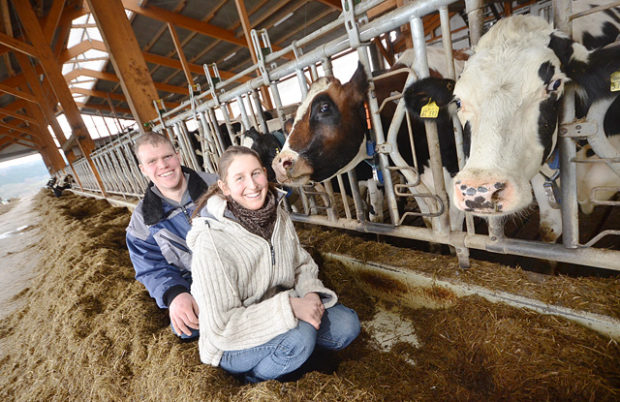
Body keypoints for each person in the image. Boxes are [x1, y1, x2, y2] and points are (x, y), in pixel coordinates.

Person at [187, 146, 360, 383]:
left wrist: (310, 294)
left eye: (256, 173)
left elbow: (300, 263)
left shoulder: (277, 213)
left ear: (265, 173)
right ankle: (255, 380)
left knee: (347, 326)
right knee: (302, 336)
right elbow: (223, 327)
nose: (253, 184)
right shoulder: (211, 241)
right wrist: (289, 308)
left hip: (280, 310)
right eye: (239, 178)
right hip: (231, 343)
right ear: (224, 187)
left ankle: (294, 354)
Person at [126, 132, 217, 340]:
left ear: (178, 156)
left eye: (167, 157)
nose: (163, 165)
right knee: (187, 326)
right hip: (194, 283)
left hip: (239, 269)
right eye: (152, 161)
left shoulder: (218, 186)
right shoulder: (142, 221)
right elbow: (151, 268)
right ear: (143, 169)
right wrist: (175, 294)